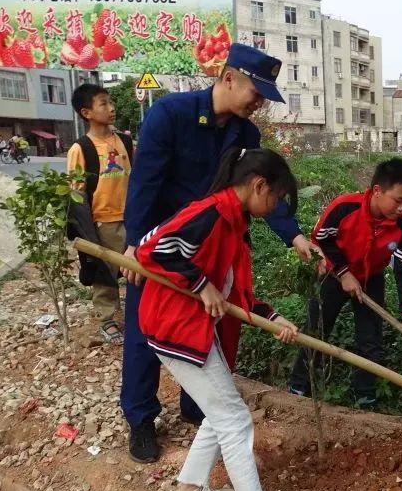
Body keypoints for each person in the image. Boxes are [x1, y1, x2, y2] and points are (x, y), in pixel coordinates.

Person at [122, 43, 316, 464]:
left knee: (216, 322)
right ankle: (140, 419)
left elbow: (261, 192)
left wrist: (295, 236)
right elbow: (144, 183)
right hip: (165, 247)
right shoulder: (171, 115)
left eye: (265, 96)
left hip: (216, 249)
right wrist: (137, 244)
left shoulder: (246, 134)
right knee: (145, 328)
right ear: (229, 78)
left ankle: (198, 407)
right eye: (256, 93)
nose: (260, 103)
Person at [136, 147, 312, 491]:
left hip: (190, 327)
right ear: (259, 185)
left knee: (220, 414)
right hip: (177, 326)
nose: (276, 206)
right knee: (234, 419)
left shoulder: (235, 223)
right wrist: (200, 285)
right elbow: (152, 247)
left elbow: (235, 291)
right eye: (277, 197)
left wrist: (272, 317)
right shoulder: (211, 213)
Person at [289, 158, 402, 407]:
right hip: (332, 275)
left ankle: (365, 397)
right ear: (377, 191)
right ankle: (299, 387)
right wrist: (342, 272)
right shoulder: (344, 207)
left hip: (371, 278)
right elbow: (321, 238)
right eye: (398, 200)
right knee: (316, 328)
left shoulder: (401, 227)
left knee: (370, 339)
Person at [66, 83, 132, 343]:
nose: (112, 108)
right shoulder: (81, 149)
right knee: (105, 274)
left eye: (110, 102)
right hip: (103, 221)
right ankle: (107, 319)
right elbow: (76, 194)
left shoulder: (124, 141)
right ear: (87, 112)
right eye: (103, 103)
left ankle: (139, 314)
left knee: (137, 270)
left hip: (130, 217)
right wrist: (85, 231)